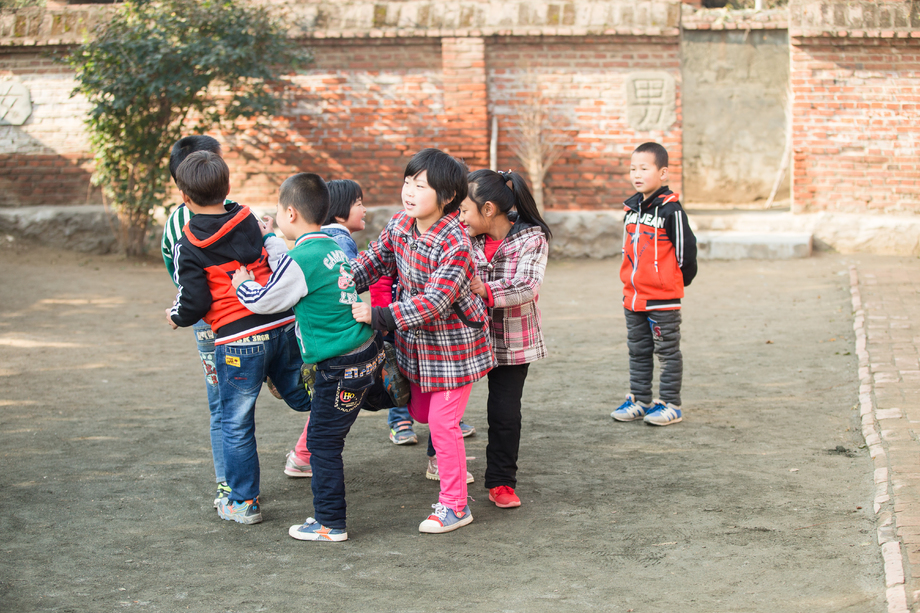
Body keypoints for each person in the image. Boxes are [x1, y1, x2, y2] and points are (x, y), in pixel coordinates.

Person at [232, 172, 408, 542]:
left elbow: (268, 300)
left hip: (339, 366)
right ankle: (385, 393)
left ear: (291, 213)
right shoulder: (328, 245)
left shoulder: (303, 259)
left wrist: (243, 285)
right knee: (337, 418)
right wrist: (268, 237)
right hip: (366, 352)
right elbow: (291, 261)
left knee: (324, 444)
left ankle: (330, 523)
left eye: (279, 214)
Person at [351, 148, 495, 534]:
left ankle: (454, 505)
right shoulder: (401, 223)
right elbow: (373, 261)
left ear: (447, 197)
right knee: (420, 414)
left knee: (442, 422)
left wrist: (378, 315)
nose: (409, 192)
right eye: (407, 182)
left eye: (421, 186)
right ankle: (451, 484)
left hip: (456, 350)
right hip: (418, 347)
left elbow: (435, 302)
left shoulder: (456, 243)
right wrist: (340, 280)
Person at [166, 151, 311, 525]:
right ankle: (357, 388)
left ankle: (243, 502)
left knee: (236, 421)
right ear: (227, 187)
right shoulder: (247, 217)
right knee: (300, 394)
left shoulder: (187, 243)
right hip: (281, 325)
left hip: (238, 341)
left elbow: (194, 300)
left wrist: (176, 316)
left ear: (184, 196)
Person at [459, 168, 551, 509]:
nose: (460, 216)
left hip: (513, 340)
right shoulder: (465, 237)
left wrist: (485, 289)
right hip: (466, 336)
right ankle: (441, 464)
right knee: (446, 406)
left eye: (465, 209)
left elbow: (528, 286)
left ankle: (501, 482)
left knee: (504, 413)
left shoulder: (532, 238)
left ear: (488, 210)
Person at [280, 178, 368, 479]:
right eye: (358, 203)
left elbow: (274, 296)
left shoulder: (310, 250)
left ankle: (328, 521)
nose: (364, 208)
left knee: (324, 431)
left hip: (335, 353)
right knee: (326, 425)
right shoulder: (334, 244)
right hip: (347, 348)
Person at [160, 135, 231, 508]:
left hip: (208, 325)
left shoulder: (175, 224)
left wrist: (178, 313)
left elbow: (180, 279)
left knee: (222, 406)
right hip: (252, 319)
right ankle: (310, 453)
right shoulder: (240, 212)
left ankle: (229, 486)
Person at [610, 142, 697, 426]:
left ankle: (671, 404)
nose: (637, 174)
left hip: (663, 299)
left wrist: (669, 284)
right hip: (633, 298)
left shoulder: (672, 211)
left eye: (644, 168)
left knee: (667, 352)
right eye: (633, 168)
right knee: (638, 350)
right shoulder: (631, 209)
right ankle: (640, 399)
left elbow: (687, 254)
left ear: (662, 173)